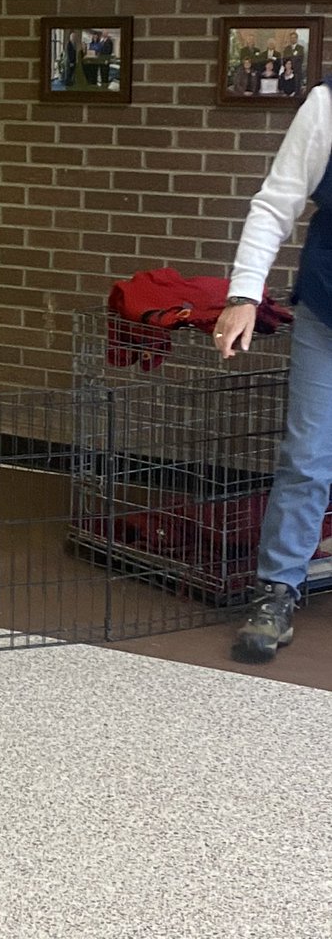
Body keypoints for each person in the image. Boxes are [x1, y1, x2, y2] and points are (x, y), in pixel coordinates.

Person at [214, 76, 332, 662]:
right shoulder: (327, 103)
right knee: (308, 457)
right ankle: (278, 590)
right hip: (327, 312)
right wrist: (244, 295)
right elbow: (276, 203)